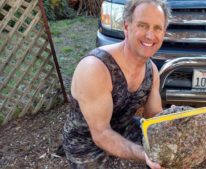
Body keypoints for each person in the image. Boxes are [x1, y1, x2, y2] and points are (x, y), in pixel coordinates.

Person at [62, 0, 171, 168]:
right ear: (126, 27)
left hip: (123, 125)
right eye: (143, 25)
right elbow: (101, 134)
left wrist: (177, 123)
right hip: (86, 142)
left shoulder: (152, 70)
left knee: (167, 148)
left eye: (157, 28)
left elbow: (155, 117)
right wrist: (145, 154)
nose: (150, 35)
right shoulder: (96, 68)